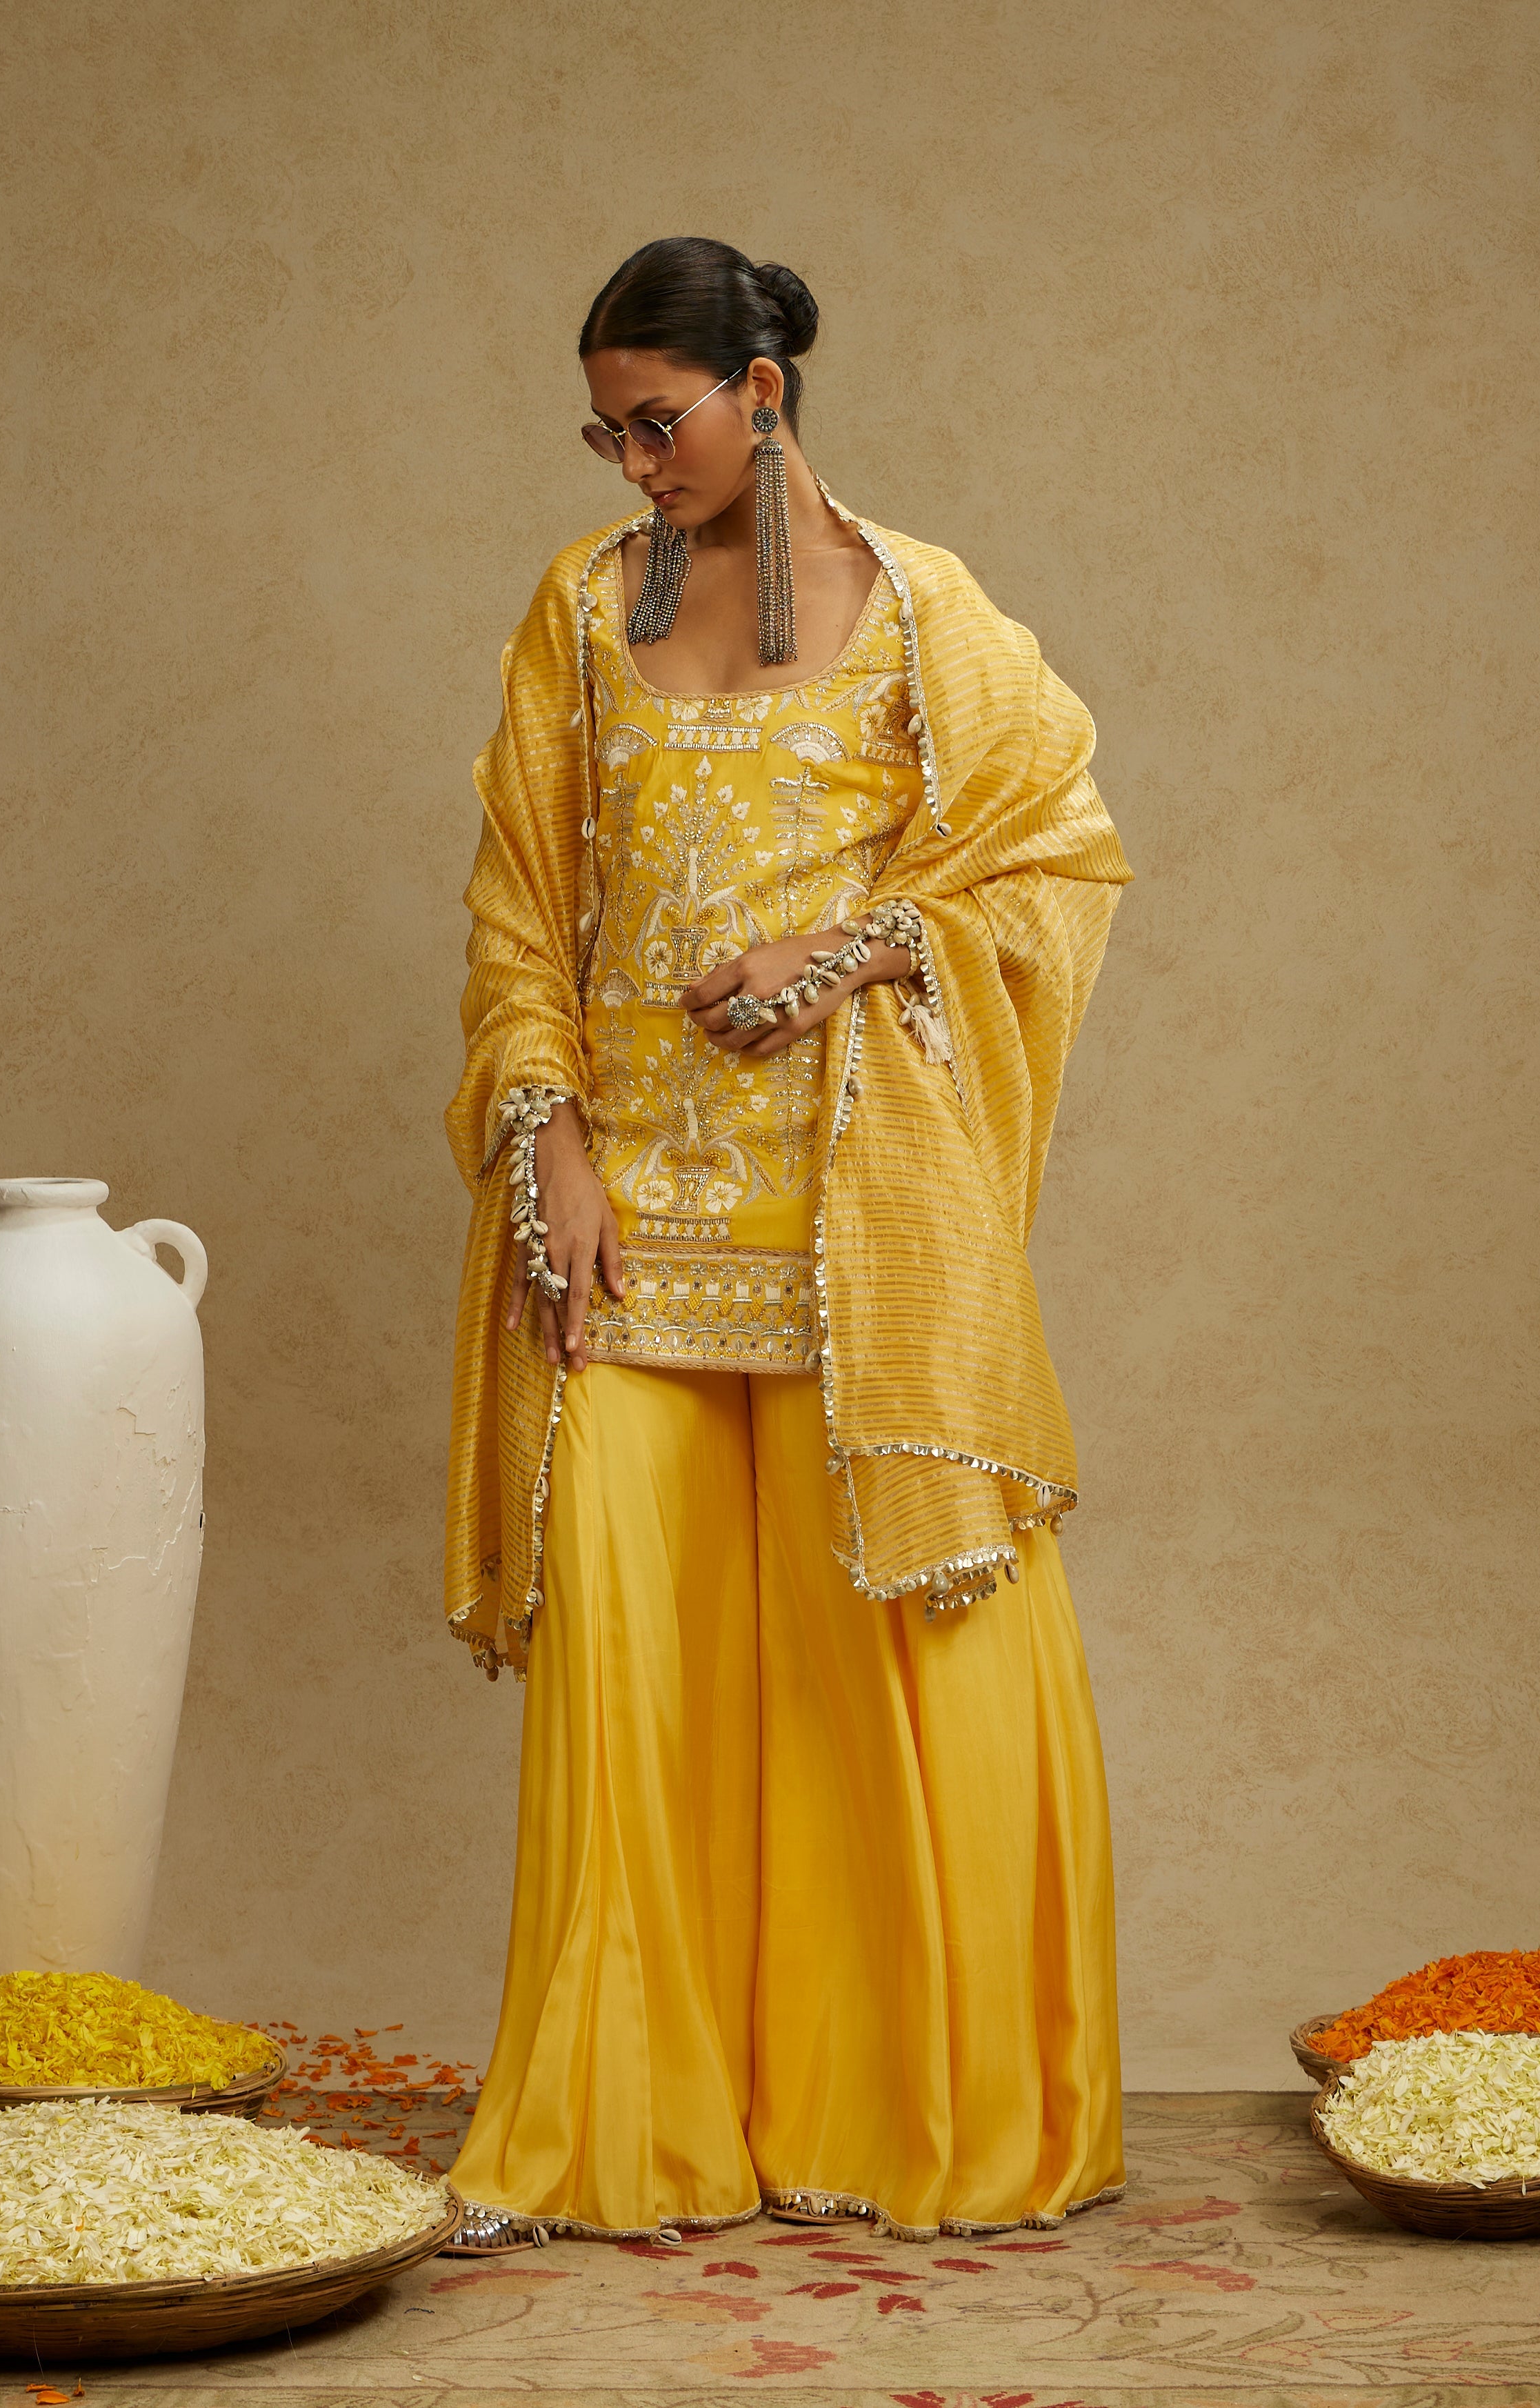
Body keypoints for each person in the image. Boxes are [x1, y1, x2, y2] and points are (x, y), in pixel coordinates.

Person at [439, 236, 1132, 2250]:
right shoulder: (580, 611)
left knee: (883, 1684)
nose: (632, 461)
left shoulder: (932, 618)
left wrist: (833, 954)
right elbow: (519, 911)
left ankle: (892, 2108)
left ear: (764, 388)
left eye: (657, 420)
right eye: (607, 427)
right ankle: (619, 2132)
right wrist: (549, 1146)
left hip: (855, 1229)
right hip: (636, 1221)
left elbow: (1049, 859)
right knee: (629, 1693)